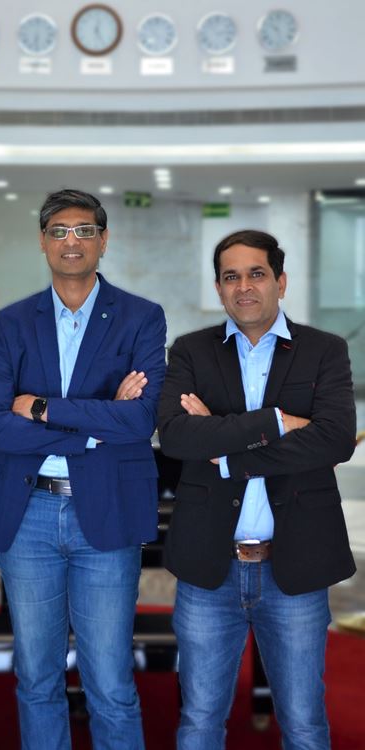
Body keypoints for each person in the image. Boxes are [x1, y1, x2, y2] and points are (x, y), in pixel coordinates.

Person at [0, 188, 167, 750]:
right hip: (28, 512)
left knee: (110, 681)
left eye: (84, 230)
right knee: (37, 677)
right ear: (42, 242)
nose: (71, 241)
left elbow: (140, 420)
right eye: (59, 231)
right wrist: (96, 426)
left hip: (107, 509)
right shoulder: (10, 323)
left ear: (104, 240)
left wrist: (41, 407)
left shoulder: (141, 317)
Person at [158, 229, 356, 749]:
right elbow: (176, 436)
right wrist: (277, 422)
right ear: (219, 288)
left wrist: (225, 451)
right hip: (209, 567)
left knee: (305, 722)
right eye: (231, 277)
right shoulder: (191, 352)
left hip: (295, 566)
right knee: (199, 720)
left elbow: (335, 440)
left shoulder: (324, 351)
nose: (243, 286)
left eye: (256, 274)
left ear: (280, 282)